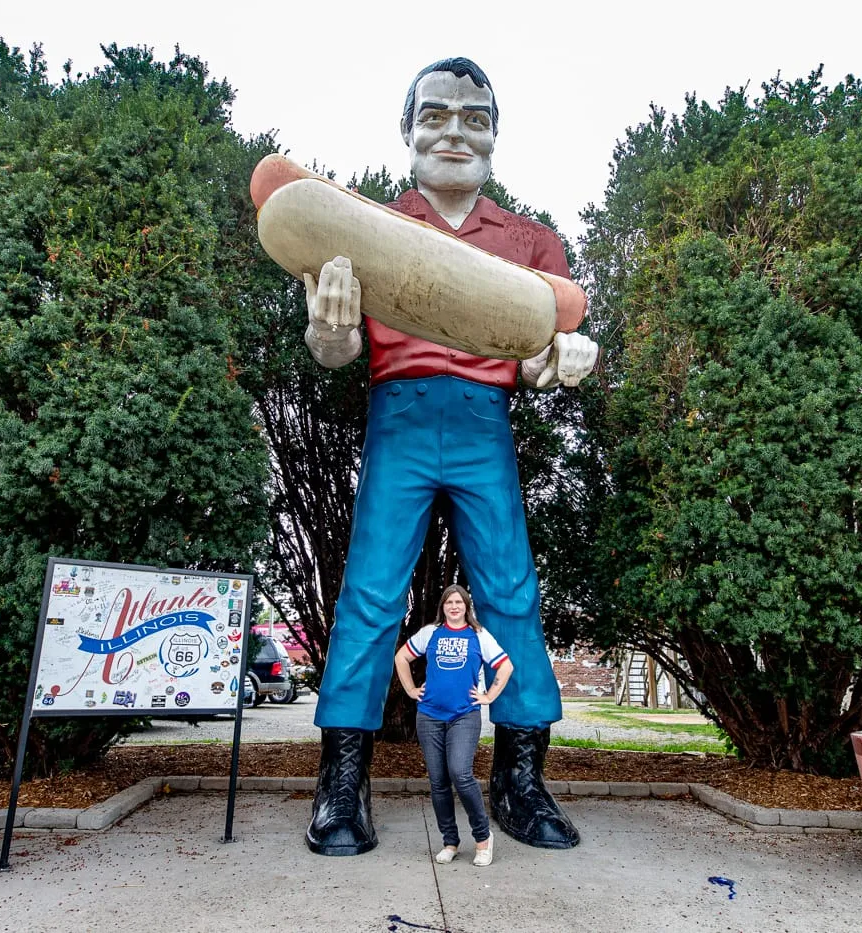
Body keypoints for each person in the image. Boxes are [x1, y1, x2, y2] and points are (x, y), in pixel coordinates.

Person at [303, 56, 599, 856]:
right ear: (407, 133)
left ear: (496, 137)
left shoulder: (532, 241)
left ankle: (520, 776)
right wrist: (328, 326)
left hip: (481, 421)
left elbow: (540, 356)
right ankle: (342, 778)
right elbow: (335, 349)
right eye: (435, 115)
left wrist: (560, 360)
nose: (455, 132)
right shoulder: (366, 224)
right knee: (369, 593)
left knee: (510, 590)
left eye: (475, 119)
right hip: (399, 412)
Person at [395, 585, 512, 866]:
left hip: (464, 716)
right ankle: (450, 842)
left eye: (459, 602)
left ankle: (483, 839)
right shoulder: (430, 633)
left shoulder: (478, 635)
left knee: (460, 773)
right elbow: (402, 657)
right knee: (438, 782)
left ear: (466, 606)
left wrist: (489, 696)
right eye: (449, 602)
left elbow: (505, 666)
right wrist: (411, 690)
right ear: (443, 606)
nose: (454, 606)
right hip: (430, 716)